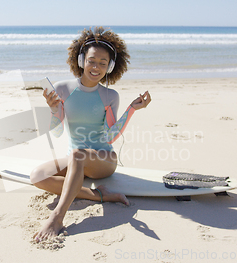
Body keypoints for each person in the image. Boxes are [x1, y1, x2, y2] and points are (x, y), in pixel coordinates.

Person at [30, 27, 151, 241]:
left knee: (78, 154)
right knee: (37, 176)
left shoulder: (109, 96)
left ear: (110, 67)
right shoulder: (63, 89)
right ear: (81, 60)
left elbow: (110, 137)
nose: (96, 67)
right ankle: (100, 195)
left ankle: (57, 217)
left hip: (103, 160)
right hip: (76, 159)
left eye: (103, 63)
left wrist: (131, 109)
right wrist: (53, 109)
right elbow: (57, 131)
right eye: (92, 61)